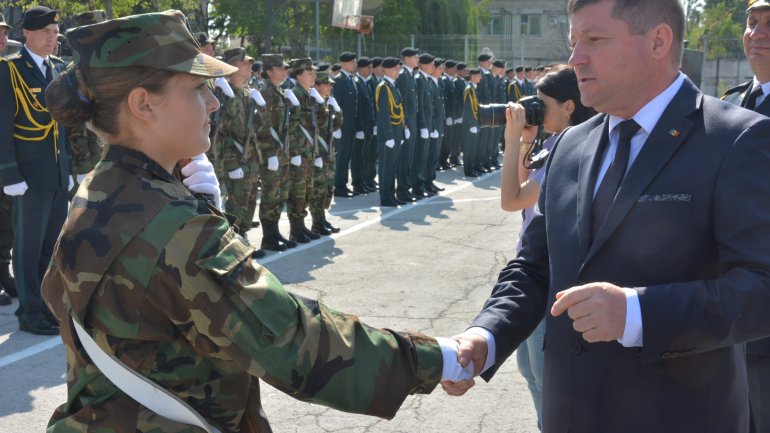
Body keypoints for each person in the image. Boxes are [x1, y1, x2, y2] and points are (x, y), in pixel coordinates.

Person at [42, 11, 470, 433]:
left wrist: (193, 205)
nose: (213, 101)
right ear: (143, 103)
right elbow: (290, 340)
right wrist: (438, 358)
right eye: (197, 88)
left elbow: (60, 295)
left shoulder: (101, 190)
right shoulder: (173, 225)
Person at [443, 1, 770, 432]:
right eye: (575, 41)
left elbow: (760, 287)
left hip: (678, 416)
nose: (576, 57)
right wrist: (485, 335)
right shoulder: (569, 145)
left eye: (594, 40)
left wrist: (639, 314)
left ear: (658, 41)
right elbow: (536, 265)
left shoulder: (734, 138)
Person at [499, 65, 596, 431]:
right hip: (536, 269)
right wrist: (527, 137)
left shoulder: (570, 151)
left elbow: (512, 199)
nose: (534, 110)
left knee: (544, 377)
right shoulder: (553, 143)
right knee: (529, 369)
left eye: (541, 105)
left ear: (569, 106)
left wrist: (511, 141)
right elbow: (524, 184)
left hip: (549, 277)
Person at [0, 6, 70, 334]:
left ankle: (44, 306)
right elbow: (2, 126)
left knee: (49, 246)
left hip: (56, 172)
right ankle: (28, 313)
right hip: (27, 176)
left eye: (55, 33)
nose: (52, 38)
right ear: (26, 33)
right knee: (27, 248)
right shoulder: (10, 70)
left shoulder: (58, 68)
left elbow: (64, 126)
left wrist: (69, 167)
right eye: (46, 32)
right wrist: (9, 172)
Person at [722, 2, 770, 431]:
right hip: (724, 310)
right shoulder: (731, 103)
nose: (758, 32)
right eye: (752, 23)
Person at [218, 47, 265, 258]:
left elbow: (256, 129)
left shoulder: (247, 94)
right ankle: (234, 247)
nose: (249, 66)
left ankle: (244, 240)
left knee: (248, 200)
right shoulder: (223, 94)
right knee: (235, 204)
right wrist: (231, 164)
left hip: (250, 158)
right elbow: (220, 134)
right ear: (233, 66)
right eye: (244, 63)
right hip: (235, 159)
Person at [256, 53, 297, 252]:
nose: (284, 71)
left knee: (280, 194)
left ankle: (275, 232)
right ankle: (268, 236)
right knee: (270, 194)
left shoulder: (280, 92)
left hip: (281, 152)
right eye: (280, 68)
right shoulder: (266, 93)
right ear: (269, 70)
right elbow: (262, 127)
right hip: (271, 154)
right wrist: (270, 153)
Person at [287, 58, 321, 243]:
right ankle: (296, 230)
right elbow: (292, 127)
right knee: (298, 192)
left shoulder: (308, 94)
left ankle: (301, 226)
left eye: (314, 73)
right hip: (300, 152)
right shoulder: (296, 94)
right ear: (299, 76)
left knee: (307, 190)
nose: (314, 76)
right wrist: (295, 152)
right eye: (310, 73)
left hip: (308, 151)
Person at [308, 66, 342, 235]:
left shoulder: (327, 103)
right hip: (318, 152)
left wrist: (337, 110)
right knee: (318, 189)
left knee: (328, 188)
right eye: (326, 84)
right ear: (318, 86)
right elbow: (318, 126)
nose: (330, 87)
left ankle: (322, 219)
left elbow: (336, 125)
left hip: (328, 151)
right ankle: (316, 222)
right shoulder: (313, 103)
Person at [375, 57, 406, 207]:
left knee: (392, 167)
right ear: (386, 69)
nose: (397, 70)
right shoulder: (383, 87)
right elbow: (382, 113)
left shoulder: (393, 86)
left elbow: (399, 110)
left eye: (398, 68)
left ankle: (391, 195)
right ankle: (385, 197)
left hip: (396, 132)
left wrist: (402, 129)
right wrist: (388, 135)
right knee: (386, 167)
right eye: (394, 68)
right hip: (388, 135)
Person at [332, 51, 359, 197]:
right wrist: (337, 126)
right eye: (352, 62)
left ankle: (343, 184)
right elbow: (336, 105)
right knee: (341, 157)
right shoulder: (338, 80)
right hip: (342, 126)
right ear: (344, 64)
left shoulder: (350, 79)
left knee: (347, 156)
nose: (355, 64)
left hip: (350, 125)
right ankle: (338, 186)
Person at [395, 47, 419, 203]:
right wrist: (405, 126)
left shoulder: (410, 75)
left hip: (412, 123)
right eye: (415, 56)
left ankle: (406, 189)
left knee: (409, 158)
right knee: (404, 160)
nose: (417, 59)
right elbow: (401, 102)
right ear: (407, 58)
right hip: (407, 125)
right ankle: (402, 190)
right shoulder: (404, 76)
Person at [412, 53, 435, 199]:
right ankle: (417, 187)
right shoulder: (419, 80)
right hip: (422, 127)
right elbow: (419, 105)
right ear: (424, 65)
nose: (433, 67)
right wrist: (423, 126)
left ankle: (423, 185)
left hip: (428, 125)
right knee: (419, 159)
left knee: (425, 158)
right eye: (431, 64)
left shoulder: (426, 80)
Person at [352, 56, 375, 195]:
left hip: (367, 127)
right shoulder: (357, 83)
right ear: (361, 68)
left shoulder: (365, 83)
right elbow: (358, 108)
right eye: (368, 67)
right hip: (361, 127)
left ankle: (364, 182)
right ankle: (357, 183)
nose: (371, 70)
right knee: (358, 158)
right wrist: (359, 127)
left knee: (365, 156)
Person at [462, 68, 482, 177]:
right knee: (469, 148)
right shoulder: (469, 89)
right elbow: (468, 108)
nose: (480, 77)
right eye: (479, 75)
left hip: (475, 122)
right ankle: (468, 170)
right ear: (473, 76)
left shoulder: (474, 89)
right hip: (470, 124)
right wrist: (471, 124)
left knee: (473, 147)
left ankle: (472, 168)